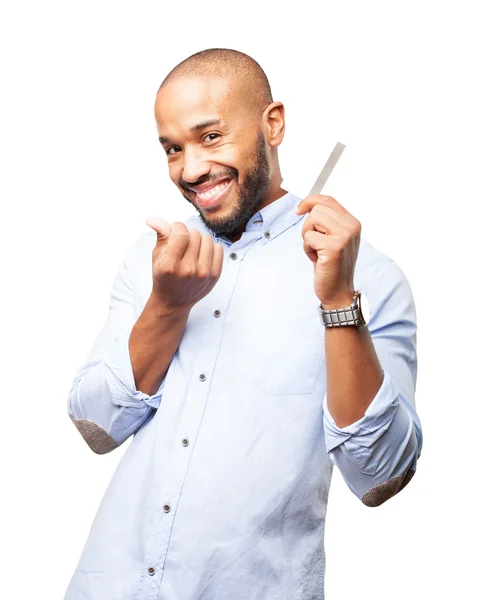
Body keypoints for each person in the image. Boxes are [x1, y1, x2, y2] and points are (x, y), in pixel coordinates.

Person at [64, 47, 422, 600]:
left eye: (211, 137)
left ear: (272, 124)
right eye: (172, 148)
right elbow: (95, 426)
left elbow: (379, 476)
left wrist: (337, 304)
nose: (190, 169)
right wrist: (167, 305)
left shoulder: (369, 276)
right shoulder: (155, 256)